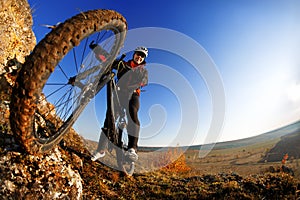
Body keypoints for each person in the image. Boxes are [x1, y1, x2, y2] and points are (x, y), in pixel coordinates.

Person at [91, 46, 149, 162]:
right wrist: (97, 49)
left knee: (132, 114)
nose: (139, 57)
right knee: (109, 119)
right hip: (118, 94)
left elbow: (144, 81)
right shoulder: (123, 64)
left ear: (143, 59)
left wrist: (132, 87)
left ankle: (132, 148)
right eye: (138, 54)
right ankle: (100, 150)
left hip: (133, 95)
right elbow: (108, 59)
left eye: (142, 56)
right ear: (134, 54)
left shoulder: (143, 70)